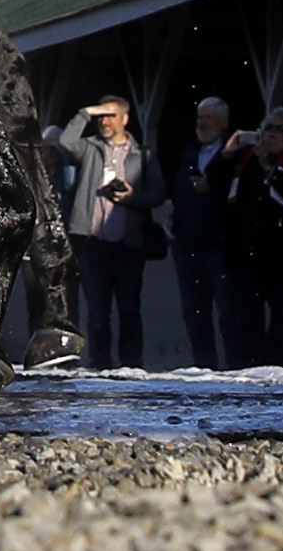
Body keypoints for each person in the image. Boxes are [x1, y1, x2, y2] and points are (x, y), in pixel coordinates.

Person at [45, 95, 160, 370]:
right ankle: (100, 364)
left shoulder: (142, 154)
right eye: (101, 116)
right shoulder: (91, 148)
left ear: (125, 119)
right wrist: (86, 112)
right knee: (97, 311)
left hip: (128, 244)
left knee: (129, 309)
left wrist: (132, 197)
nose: (104, 121)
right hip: (93, 242)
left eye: (110, 116)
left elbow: (158, 192)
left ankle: (132, 365)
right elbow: (66, 142)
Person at [223, 107, 283, 366]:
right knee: (246, 318)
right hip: (248, 253)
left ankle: (282, 368)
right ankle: (247, 367)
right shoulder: (246, 160)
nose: (272, 134)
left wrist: (267, 166)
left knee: (282, 320)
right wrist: (227, 153)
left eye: (280, 130)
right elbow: (214, 184)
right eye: (268, 128)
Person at [168, 96, 244, 369]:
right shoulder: (190, 153)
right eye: (200, 117)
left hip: (219, 244)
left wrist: (214, 186)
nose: (202, 123)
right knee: (194, 313)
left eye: (209, 118)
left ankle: (236, 367)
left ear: (223, 122)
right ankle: (204, 367)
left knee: (228, 312)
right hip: (188, 243)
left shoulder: (236, 154)